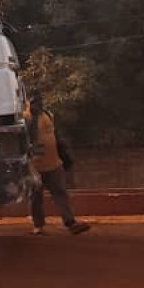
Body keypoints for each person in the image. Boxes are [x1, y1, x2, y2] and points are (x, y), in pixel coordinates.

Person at [26, 94, 91, 236]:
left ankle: (70, 222)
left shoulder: (48, 115)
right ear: (29, 104)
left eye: (39, 102)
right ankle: (38, 226)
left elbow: (56, 135)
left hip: (54, 163)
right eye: (34, 102)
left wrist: (64, 154)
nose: (37, 105)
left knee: (61, 194)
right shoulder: (27, 118)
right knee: (35, 198)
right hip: (35, 167)